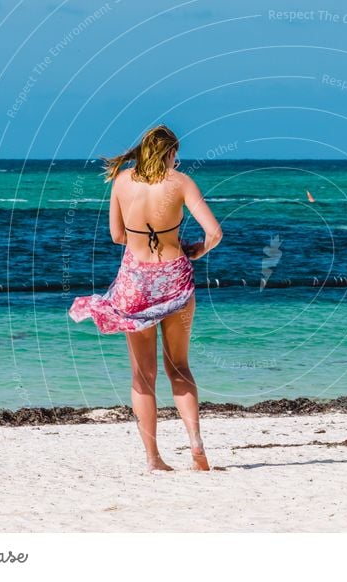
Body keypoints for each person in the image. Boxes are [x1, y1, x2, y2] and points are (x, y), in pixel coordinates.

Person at [69, 125, 223, 472]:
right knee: (179, 367)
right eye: (175, 154)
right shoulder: (180, 182)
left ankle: (154, 458)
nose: (176, 160)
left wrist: (142, 240)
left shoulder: (122, 181)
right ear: (169, 152)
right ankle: (195, 442)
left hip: (136, 284)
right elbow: (214, 233)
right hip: (175, 279)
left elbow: (116, 235)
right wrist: (198, 251)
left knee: (143, 375)